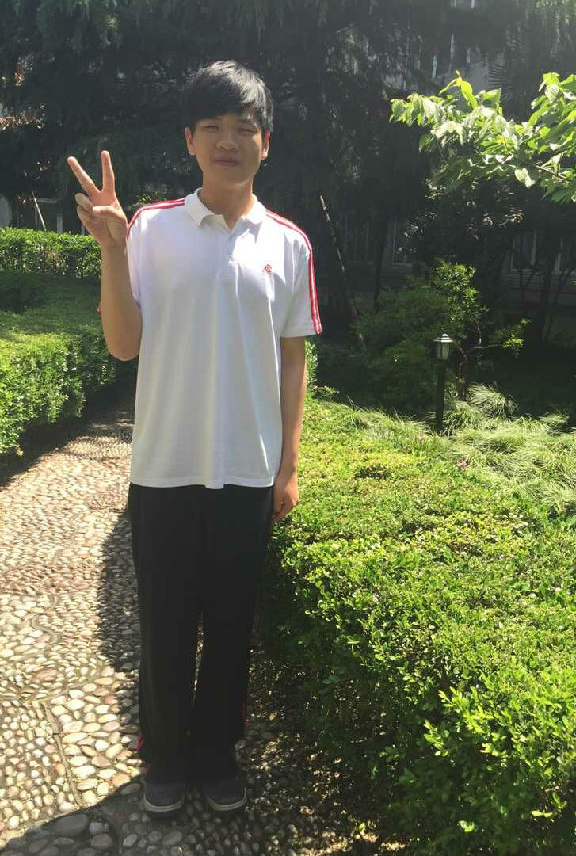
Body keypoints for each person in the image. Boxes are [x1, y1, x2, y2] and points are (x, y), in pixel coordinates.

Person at [67, 61, 322, 818]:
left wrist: (288, 466)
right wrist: (112, 250)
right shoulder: (150, 228)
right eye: (212, 126)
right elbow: (123, 345)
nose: (227, 141)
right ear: (189, 140)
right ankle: (167, 756)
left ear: (266, 142)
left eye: (243, 127)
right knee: (166, 622)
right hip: (165, 466)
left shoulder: (289, 244)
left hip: (247, 469)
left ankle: (216, 754)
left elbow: (293, 360)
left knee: (233, 623)